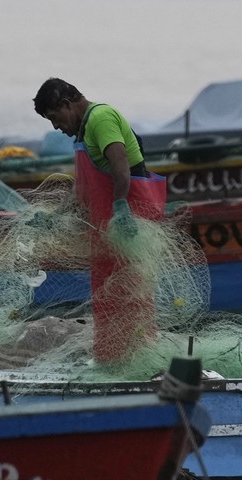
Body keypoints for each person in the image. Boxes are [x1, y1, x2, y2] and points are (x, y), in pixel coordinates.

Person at [33, 78, 166, 364]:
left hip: (127, 227)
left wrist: (120, 206)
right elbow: (84, 191)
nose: (56, 127)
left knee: (132, 295)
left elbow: (120, 165)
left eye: (54, 118)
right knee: (108, 299)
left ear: (66, 104)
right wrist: (53, 217)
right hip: (106, 235)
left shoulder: (100, 118)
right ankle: (113, 359)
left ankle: (139, 357)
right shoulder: (82, 135)